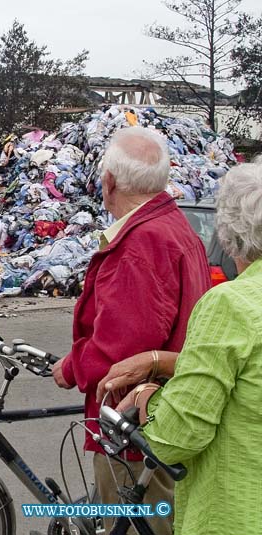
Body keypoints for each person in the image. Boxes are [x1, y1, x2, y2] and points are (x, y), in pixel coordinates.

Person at [51, 127, 211, 535]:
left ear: (109, 183)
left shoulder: (140, 244)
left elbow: (120, 348)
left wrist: (71, 369)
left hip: (131, 425)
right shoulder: (175, 227)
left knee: (133, 522)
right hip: (163, 414)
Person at [102, 161, 262, 535]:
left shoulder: (233, 305)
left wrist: (147, 397)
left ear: (229, 234)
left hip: (238, 513)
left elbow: (176, 437)